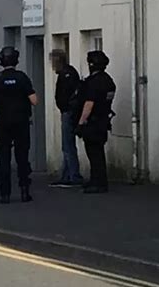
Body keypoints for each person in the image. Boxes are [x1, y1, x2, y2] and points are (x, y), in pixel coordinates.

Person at [0, 46, 38, 204]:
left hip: (3, 123)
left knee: (4, 157)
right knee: (22, 157)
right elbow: (34, 101)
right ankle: (24, 191)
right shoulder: (22, 78)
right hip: (21, 122)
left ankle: (5, 194)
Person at [75, 50, 116, 194]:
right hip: (104, 119)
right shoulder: (108, 80)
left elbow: (89, 103)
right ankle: (96, 180)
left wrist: (81, 122)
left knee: (94, 152)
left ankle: (98, 183)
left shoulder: (93, 82)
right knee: (98, 151)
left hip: (92, 121)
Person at [50, 49, 83, 188]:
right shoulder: (69, 73)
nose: (51, 65)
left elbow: (66, 95)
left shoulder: (66, 75)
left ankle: (73, 175)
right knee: (67, 145)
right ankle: (67, 174)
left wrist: (65, 106)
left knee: (68, 145)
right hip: (69, 111)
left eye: (53, 61)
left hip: (69, 112)